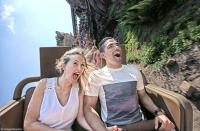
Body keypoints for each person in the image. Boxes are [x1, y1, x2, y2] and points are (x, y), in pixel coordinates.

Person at [84, 37, 175, 131]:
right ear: (103, 55)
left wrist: (159, 113)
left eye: (117, 44)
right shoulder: (96, 76)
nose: (117, 47)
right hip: (116, 128)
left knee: (169, 127)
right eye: (111, 46)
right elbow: (88, 108)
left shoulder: (134, 71)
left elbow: (143, 96)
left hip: (141, 124)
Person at [24, 47, 92, 131]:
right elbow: (29, 124)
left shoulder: (79, 89)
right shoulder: (44, 84)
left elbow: (80, 118)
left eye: (82, 65)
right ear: (63, 66)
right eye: (75, 63)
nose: (79, 69)